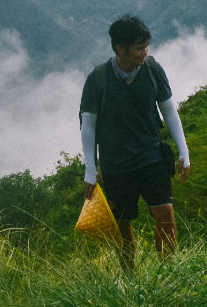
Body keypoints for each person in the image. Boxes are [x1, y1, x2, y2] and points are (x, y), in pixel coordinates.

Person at [80, 14, 190, 269]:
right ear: (120, 49)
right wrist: (90, 168)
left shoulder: (152, 70)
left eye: (146, 46)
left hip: (151, 156)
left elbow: (169, 110)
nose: (145, 52)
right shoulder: (98, 79)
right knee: (122, 225)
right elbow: (88, 123)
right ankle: (129, 278)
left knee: (165, 215)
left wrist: (183, 150)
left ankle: (169, 273)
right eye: (139, 47)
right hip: (116, 166)